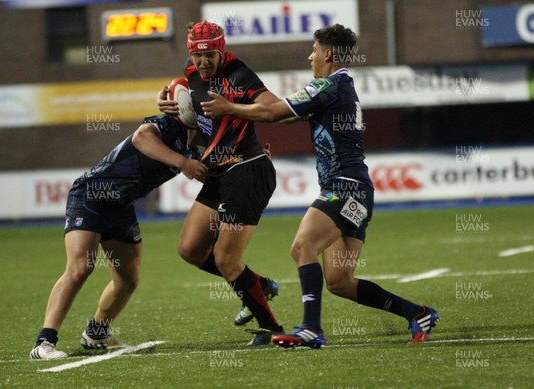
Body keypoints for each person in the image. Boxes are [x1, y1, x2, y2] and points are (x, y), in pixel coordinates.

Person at [201, 24, 439, 348]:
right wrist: (252, 126)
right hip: (357, 189)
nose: (309, 56)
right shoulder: (338, 88)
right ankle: (417, 313)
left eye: (313, 49)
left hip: (344, 187)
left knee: (302, 247)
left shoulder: (328, 84)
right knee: (340, 282)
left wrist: (230, 108)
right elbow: (284, 117)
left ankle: (311, 328)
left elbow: (273, 111)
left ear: (327, 53)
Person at [30, 114, 207, 360]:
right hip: (90, 196)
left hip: (121, 206)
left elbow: (210, 173)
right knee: (81, 268)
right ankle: (44, 343)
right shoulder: (168, 124)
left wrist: (249, 163)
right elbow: (141, 137)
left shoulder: (194, 150)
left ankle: (96, 333)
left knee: (127, 281)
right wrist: (182, 162)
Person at [157, 21, 284, 345]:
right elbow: (206, 127)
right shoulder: (192, 74)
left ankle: (272, 329)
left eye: (210, 55)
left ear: (222, 49)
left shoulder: (239, 75)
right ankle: (259, 285)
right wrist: (176, 112)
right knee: (190, 249)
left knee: (227, 258)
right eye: (197, 56)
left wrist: (231, 106)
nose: (203, 63)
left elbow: (275, 110)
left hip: (247, 168)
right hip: (218, 170)